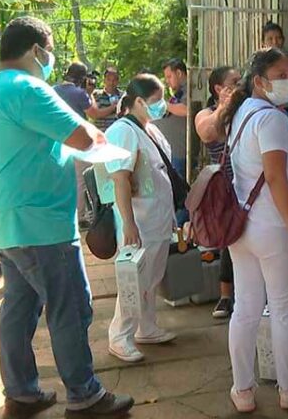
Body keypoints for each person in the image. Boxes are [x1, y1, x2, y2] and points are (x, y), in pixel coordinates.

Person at [0, 16, 133, 417]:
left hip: (7, 224)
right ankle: (85, 395)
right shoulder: (28, 88)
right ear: (35, 50)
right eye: (49, 48)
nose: (51, 57)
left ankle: (22, 391)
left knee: (18, 308)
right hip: (41, 226)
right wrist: (96, 138)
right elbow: (84, 136)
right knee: (70, 307)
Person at [218, 48, 288, 413]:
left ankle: (242, 391)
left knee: (246, 309)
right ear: (259, 81)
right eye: (280, 74)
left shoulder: (240, 114)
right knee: (284, 310)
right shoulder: (271, 120)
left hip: (242, 227)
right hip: (274, 228)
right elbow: (274, 177)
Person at [104, 73, 178, 363]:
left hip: (157, 217)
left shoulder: (150, 128)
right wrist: (129, 223)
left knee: (152, 275)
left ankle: (146, 327)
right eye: (155, 101)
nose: (160, 106)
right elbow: (120, 179)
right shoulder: (123, 131)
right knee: (132, 279)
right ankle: (119, 336)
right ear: (137, 101)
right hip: (139, 220)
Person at [194, 66, 243, 319]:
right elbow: (208, 132)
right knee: (228, 242)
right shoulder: (206, 113)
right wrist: (225, 107)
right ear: (217, 89)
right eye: (233, 82)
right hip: (225, 189)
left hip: (250, 188)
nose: (239, 84)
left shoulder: (246, 108)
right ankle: (226, 296)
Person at [54, 62, 97, 228]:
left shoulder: (53, 90)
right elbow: (95, 113)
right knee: (81, 180)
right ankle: (80, 217)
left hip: (57, 141)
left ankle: (62, 215)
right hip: (78, 141)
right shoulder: (79, 93)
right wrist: (90, 94)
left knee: (62, 180)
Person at [160, 58, 189, 179]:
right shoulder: (179, 92)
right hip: (172, 152)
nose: (167, 81)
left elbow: (187, 110)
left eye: (169, 76)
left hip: (180, 153)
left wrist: (163, 104)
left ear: (179, 73)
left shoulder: (190, 90)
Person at [94, 67, 123, 131]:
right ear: (104, 80)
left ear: (118, 81)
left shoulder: (122, 96)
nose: (111, 83)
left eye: (114, 80)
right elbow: (95, 114)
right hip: (101, 133)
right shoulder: (96, 95)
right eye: (109, 79)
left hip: (118, 133)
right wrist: (113, 107)